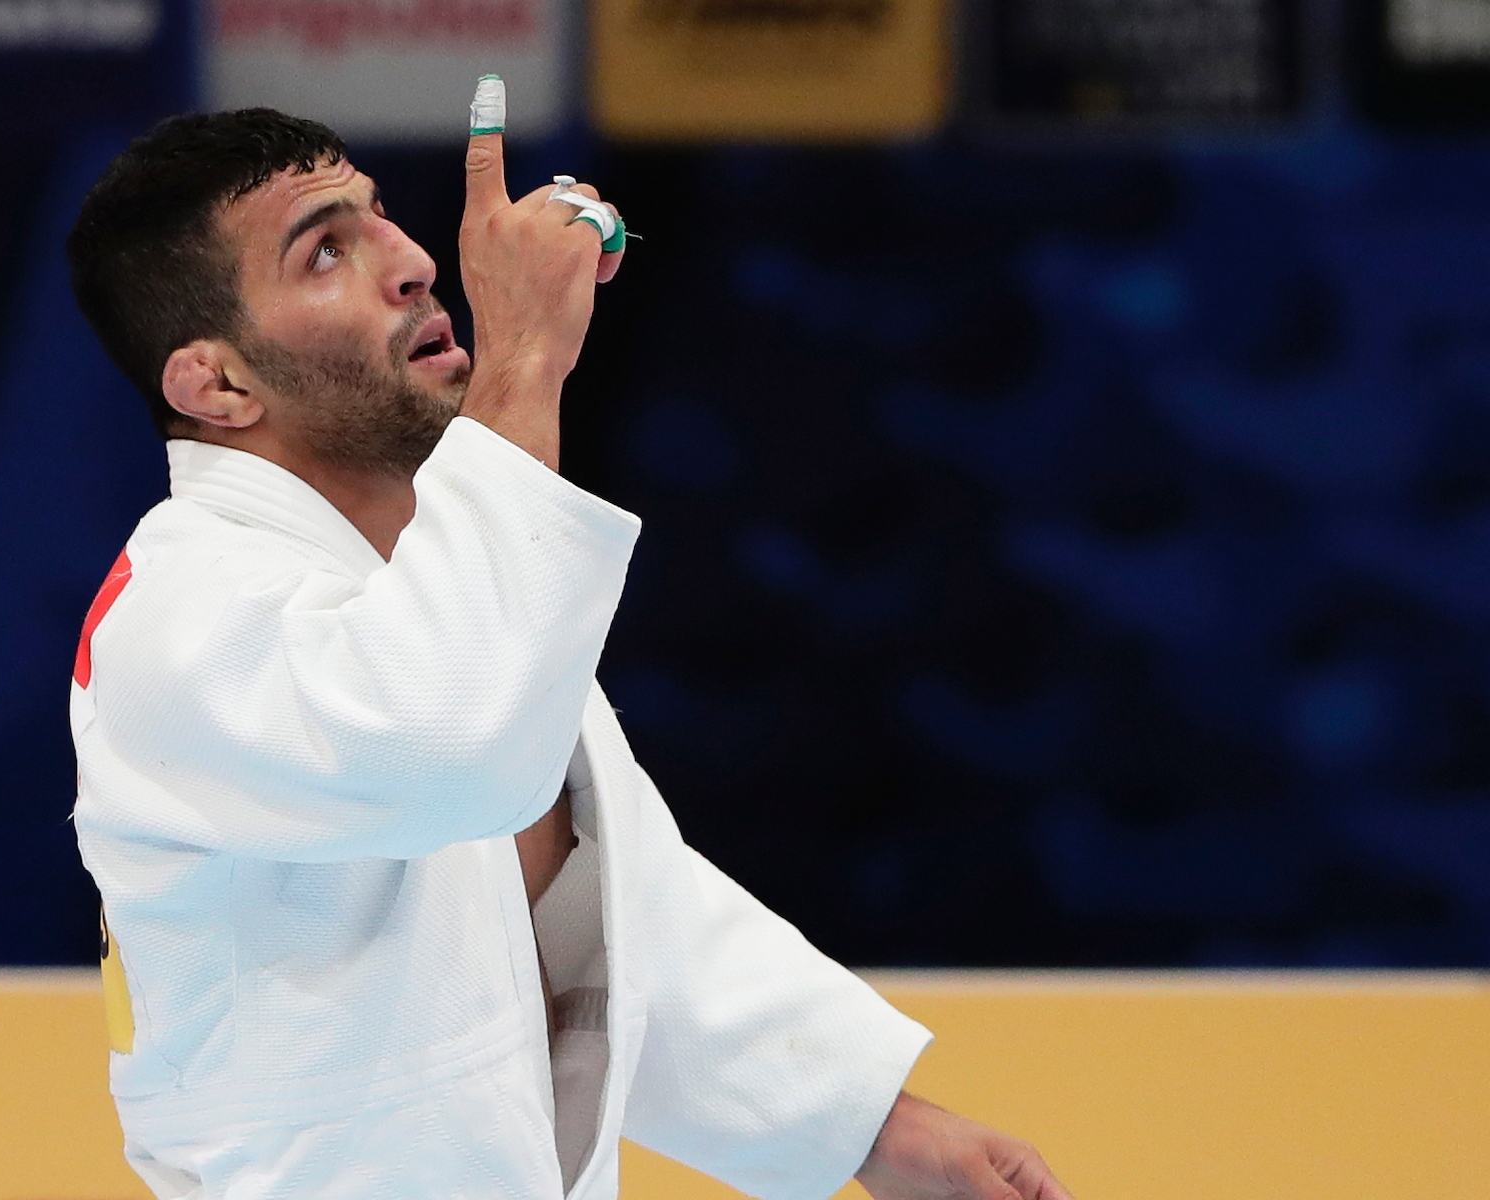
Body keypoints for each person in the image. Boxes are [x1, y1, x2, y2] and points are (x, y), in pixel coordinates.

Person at [64, 99, 1075, 1200]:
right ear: (217, 385)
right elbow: (458, 749)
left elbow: (613, 922)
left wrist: (884, 1134)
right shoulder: (179, 622)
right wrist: (527, 353)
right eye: (325, 253)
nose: (412, 263)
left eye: (382, 217)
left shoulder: (423, 594)